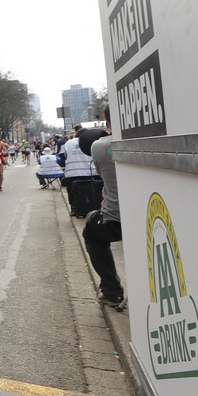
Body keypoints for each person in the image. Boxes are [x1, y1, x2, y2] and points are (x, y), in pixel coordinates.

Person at [80, 108, 125, 309]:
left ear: (106, 118)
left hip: (117, 218)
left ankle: (112, 291)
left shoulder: (99, 146)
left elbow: (103, 174)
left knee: (91, 231)